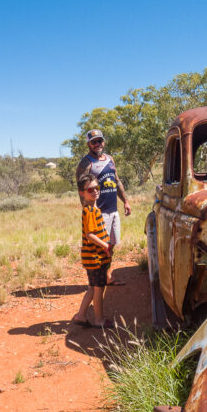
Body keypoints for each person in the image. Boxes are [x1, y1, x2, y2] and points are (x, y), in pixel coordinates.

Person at [75, 129, 131, 285]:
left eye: (100, 140)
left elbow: (117, 181)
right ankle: (97, 281)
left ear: (103, 142)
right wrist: (89, 210)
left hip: (113, 210)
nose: (97, 144)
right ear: (89, 144)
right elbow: (82, 189)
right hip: (100, 212)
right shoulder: (86, 162)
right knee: (100, 247)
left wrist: (125, 201)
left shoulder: (110, 159)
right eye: (94, 141)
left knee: (111, 244)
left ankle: (107, 276)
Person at [73, 173, 111, 328]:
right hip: (95, 258)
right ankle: (99, 319)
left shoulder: (94, 209)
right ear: (82, 193)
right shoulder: (89, 211)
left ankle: (81, 316)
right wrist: (105, 245)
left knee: (92, 288)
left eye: (97, 187)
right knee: (98, 289)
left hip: (94, 257)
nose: (95, 191)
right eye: (90, 189)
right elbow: (89, 235)